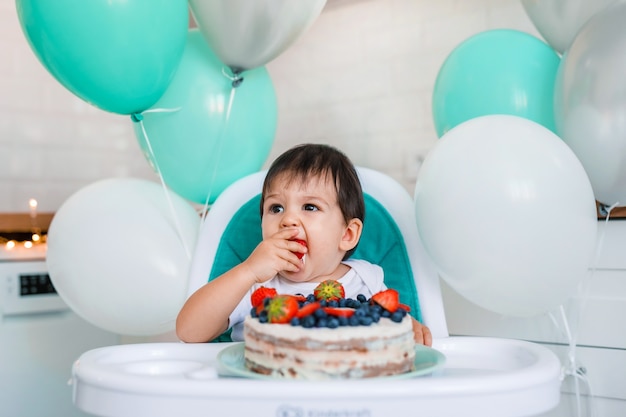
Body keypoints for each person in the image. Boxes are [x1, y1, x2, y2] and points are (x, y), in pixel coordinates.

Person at [176, 143, 432, 346]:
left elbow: (394, 327)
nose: (288, 219)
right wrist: (248, 271)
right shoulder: (255, 285)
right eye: (276, 208)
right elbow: (189, 331)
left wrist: (408, 327)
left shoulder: (366, 280)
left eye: (310, 207)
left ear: (347, 235)